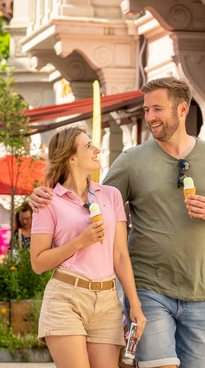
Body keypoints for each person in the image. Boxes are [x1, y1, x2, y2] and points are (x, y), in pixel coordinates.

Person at [30, 77, 205, 368]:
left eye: (157, 109)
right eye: (146, 109)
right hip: (148, 288)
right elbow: (88, 199)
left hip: (200, 289)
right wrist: (43, 193)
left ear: (182, 109)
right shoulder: (132, 160)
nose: (150, 117)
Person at [30, 127, 146, 368]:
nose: (97, 150)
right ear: (72, 157)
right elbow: (38, 263)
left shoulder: (111, 195)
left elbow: (121, 256)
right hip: (66, 297)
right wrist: (78, 242)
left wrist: (134, 304)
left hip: (107, 300)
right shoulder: (48, 201)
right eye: (88, 146)